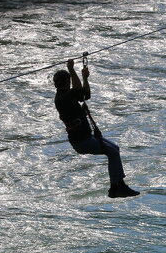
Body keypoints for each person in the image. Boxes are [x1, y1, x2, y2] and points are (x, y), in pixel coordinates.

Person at [53, 58, 140, 198]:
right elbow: (77, 90)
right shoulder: (62, 98)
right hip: (81, 141)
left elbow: (84, 94)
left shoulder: (67, 94)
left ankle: (120, 184)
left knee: (115, 149)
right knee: (112, 152)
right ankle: (114, 188)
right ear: (66, 82)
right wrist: (71, 70)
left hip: (87, 137)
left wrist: (85, 78)